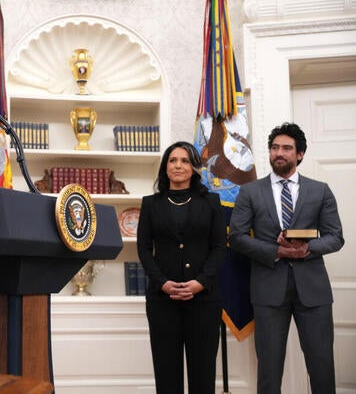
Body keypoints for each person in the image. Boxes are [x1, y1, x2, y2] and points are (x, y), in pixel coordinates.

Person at [229, 123, 344, 394]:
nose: (279, 153)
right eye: (274, 148)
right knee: (268, 371)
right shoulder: (250, 192)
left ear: (300, 154)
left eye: (286, 148)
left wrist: (307, 249)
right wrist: (276, 251)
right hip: (268, 291)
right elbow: (236, 237)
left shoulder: (320, 190)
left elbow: (335, 237)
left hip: (313, 292)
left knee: (322, 367)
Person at [137, 141, 226, 394]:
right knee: (167, 377)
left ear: (194, 167)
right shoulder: (151, 204)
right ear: (165, 167)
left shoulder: (211, 201)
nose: (178, 165)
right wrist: (162, 283)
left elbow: (220, 247)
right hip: (162, 301)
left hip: (204, 300)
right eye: (173, 160)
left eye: (185, 160)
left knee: (203, 376)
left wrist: (200, 283)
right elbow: (143, 249)